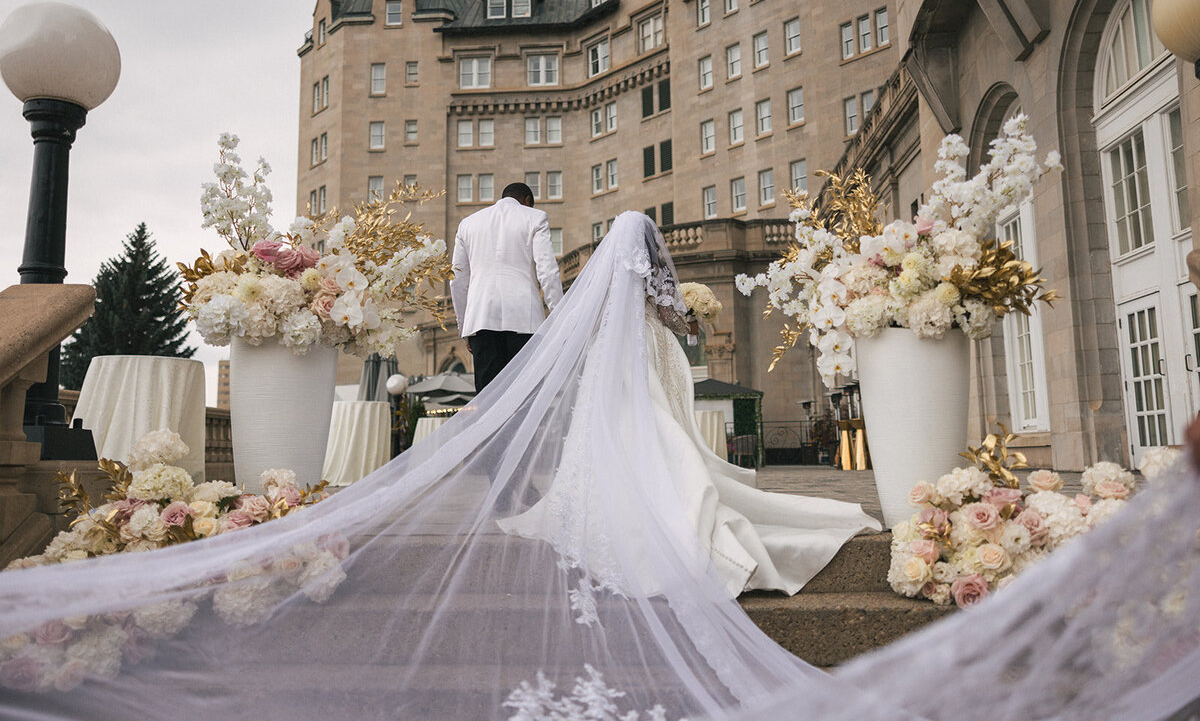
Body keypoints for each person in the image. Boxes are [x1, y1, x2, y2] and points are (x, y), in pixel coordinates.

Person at [0, 213, 1197, 720]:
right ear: (651, 254)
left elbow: (582, 324)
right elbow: (675, 319)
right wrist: (681, 328)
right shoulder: (647, 286)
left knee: (627, 468)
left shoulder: (581, 279)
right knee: (696, 466)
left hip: (602, 379)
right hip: (653, 383)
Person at [500, 214, 881, 597]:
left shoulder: (605, 276)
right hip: (644, 344)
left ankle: (607, 491)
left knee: (613, 422)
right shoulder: (654, 269)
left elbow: (593, 319)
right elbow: (670, 316)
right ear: (650, 243)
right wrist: (693, 321)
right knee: (651, 417)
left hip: (608, 353)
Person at [450, 181, 563, 394]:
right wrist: (559, 316)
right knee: (524, 398)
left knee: (486, 401)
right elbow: (547, 271)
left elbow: (457, 280)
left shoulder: (468, 224)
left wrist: (464, 327)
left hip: (481, 319)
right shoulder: (535, 217)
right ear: (527, 201)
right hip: (524, 319)